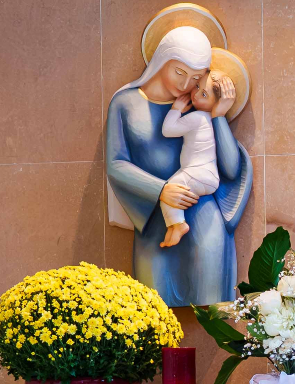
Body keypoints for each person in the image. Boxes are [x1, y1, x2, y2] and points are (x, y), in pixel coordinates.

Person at [106, 25, 251, 306]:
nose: (186, 85)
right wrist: (161, 190)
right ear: (162, 60)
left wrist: (219, 115)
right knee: (152, 313)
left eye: (196, 78)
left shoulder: (199, 105)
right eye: (179, 72)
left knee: (212, 317)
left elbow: (232, 170)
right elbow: (116, 164)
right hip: (155, 228)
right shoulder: (125, 103)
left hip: (205, 226)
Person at [158, 70, 236, 248]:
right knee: (170, 191)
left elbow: (167, 130)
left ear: (216, 102)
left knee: (170, 190)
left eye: (204, 94)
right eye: (198, 86)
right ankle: (173, 227)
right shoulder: (212, 120)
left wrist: (176, 109)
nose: (196, 94)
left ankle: (179, 225)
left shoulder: (198, 117)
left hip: (199, 174)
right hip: (206, 176)